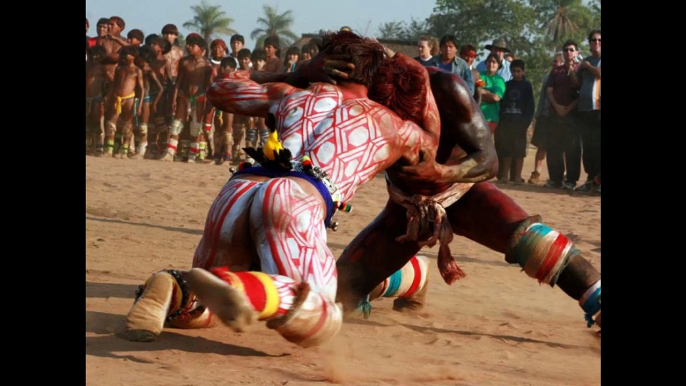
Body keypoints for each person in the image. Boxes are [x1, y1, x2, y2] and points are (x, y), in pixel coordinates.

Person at [123, 30, 440, 347]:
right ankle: (237, 286)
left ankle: (174, 287)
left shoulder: (288, 94)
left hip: (239, 189)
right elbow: (431, 147)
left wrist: (294, 73)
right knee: (320, 312)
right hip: (295, 198)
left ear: (322, 63)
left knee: (209, 304)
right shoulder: (392, 124)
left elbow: (220, 88)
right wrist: (421, 81)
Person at [570, 29, 601, 194]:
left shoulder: (591, 63)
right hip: (584, 110)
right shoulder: (585, 61)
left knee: (599, 146)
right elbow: (576, 85)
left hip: (598, 109)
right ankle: (590, 179)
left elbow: (599, 73)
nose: (596, 43)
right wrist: (572, 71)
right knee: (588, 147)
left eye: (599, 40)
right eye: (593, 40)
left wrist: (587, 66)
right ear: (589, 44)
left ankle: (599, 181)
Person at [495, 59, 534, 184]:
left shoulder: (527, 86)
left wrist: (526, 124)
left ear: (523, 72)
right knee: (506, 152)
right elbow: (502, 104)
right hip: (507, 123)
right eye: (514, 71)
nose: (516, 73)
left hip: (520, 125)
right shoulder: (507, 85)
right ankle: (504, 176)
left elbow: (530, 107)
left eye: (519, 71)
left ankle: (517, 177)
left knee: (519, 153)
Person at [104, 45, 144, 158]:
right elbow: (114, 84)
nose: (126, 56)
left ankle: (125, 150)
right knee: (111, 123)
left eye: (129, 54)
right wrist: (108, 97)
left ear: (134, 56)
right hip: (117, 97)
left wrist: (140, 105)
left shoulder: (137, 70)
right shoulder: (119, 68)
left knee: (127, 124)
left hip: (130, 98)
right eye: (125, 54)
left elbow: (141, 88)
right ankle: (109, 149)